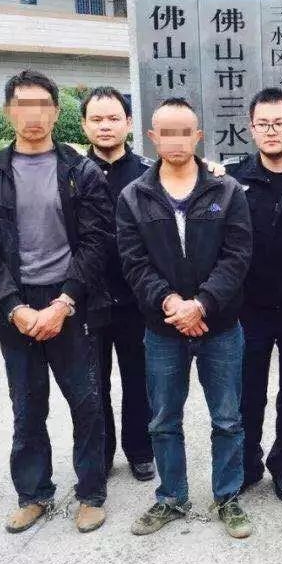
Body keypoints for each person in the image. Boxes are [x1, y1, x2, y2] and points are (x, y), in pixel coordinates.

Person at [0, 70, 112, 534]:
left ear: (55, 111)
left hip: (71, 301)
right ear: (9, 111)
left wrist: (64, 302)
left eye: (42, 105)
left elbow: (97, 242)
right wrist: (14, 307)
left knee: (86, 402)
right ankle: (33, 493)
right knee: (27, 406)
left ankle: (91, 493)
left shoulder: (80, 171)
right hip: (17, 306)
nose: (33, 114)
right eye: (23, 104)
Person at [117, 98, 255, 539]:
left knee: (228, 418)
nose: (175, 140)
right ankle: (172, 497)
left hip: (220, 327)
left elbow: (237, 256)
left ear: (197, 136)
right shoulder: (134, 196)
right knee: (163, 420)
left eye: (184, 131)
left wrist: (202, 304)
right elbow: (133, 262)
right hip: (163, 330)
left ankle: (227, 497)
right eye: (166, 132)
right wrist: (173, 304)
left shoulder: (226, 191)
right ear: (152, 137)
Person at [224, 87, 282, 503]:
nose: (272, 131)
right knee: (246, 392)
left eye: (280, 123)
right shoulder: (231, 180)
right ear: (251, 128)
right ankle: (246, 465)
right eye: (263, 124)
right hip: (248, 307)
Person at [79, 86, 156, 482]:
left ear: (128, 123)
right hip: (87, 298)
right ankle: (102, 453)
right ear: (84, 125)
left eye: (113, 118)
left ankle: (141, 450)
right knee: (93, 383)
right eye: (96, 119)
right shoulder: (71, 174)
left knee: (139, 379)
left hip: (137, 299)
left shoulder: (149, 173)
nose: (105, 126)